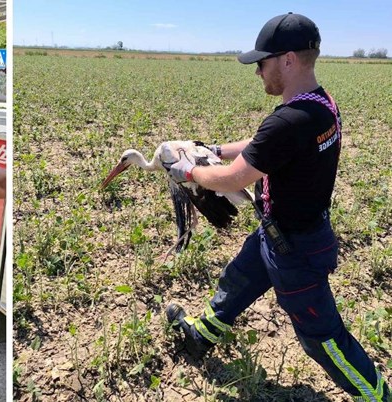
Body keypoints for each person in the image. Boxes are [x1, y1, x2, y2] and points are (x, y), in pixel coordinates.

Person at [166, 13, 389, 401]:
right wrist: (211, 150)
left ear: (287, 59)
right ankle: (200, 335)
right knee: (237, 279)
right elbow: (260, 147)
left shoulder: (289, 120)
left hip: (295, 250)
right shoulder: (320, 105)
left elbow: (235, 178)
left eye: (261, 62)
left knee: (323, 337)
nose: (257, 73)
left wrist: (189, 172)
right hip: (283, 234)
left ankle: (377, 396)